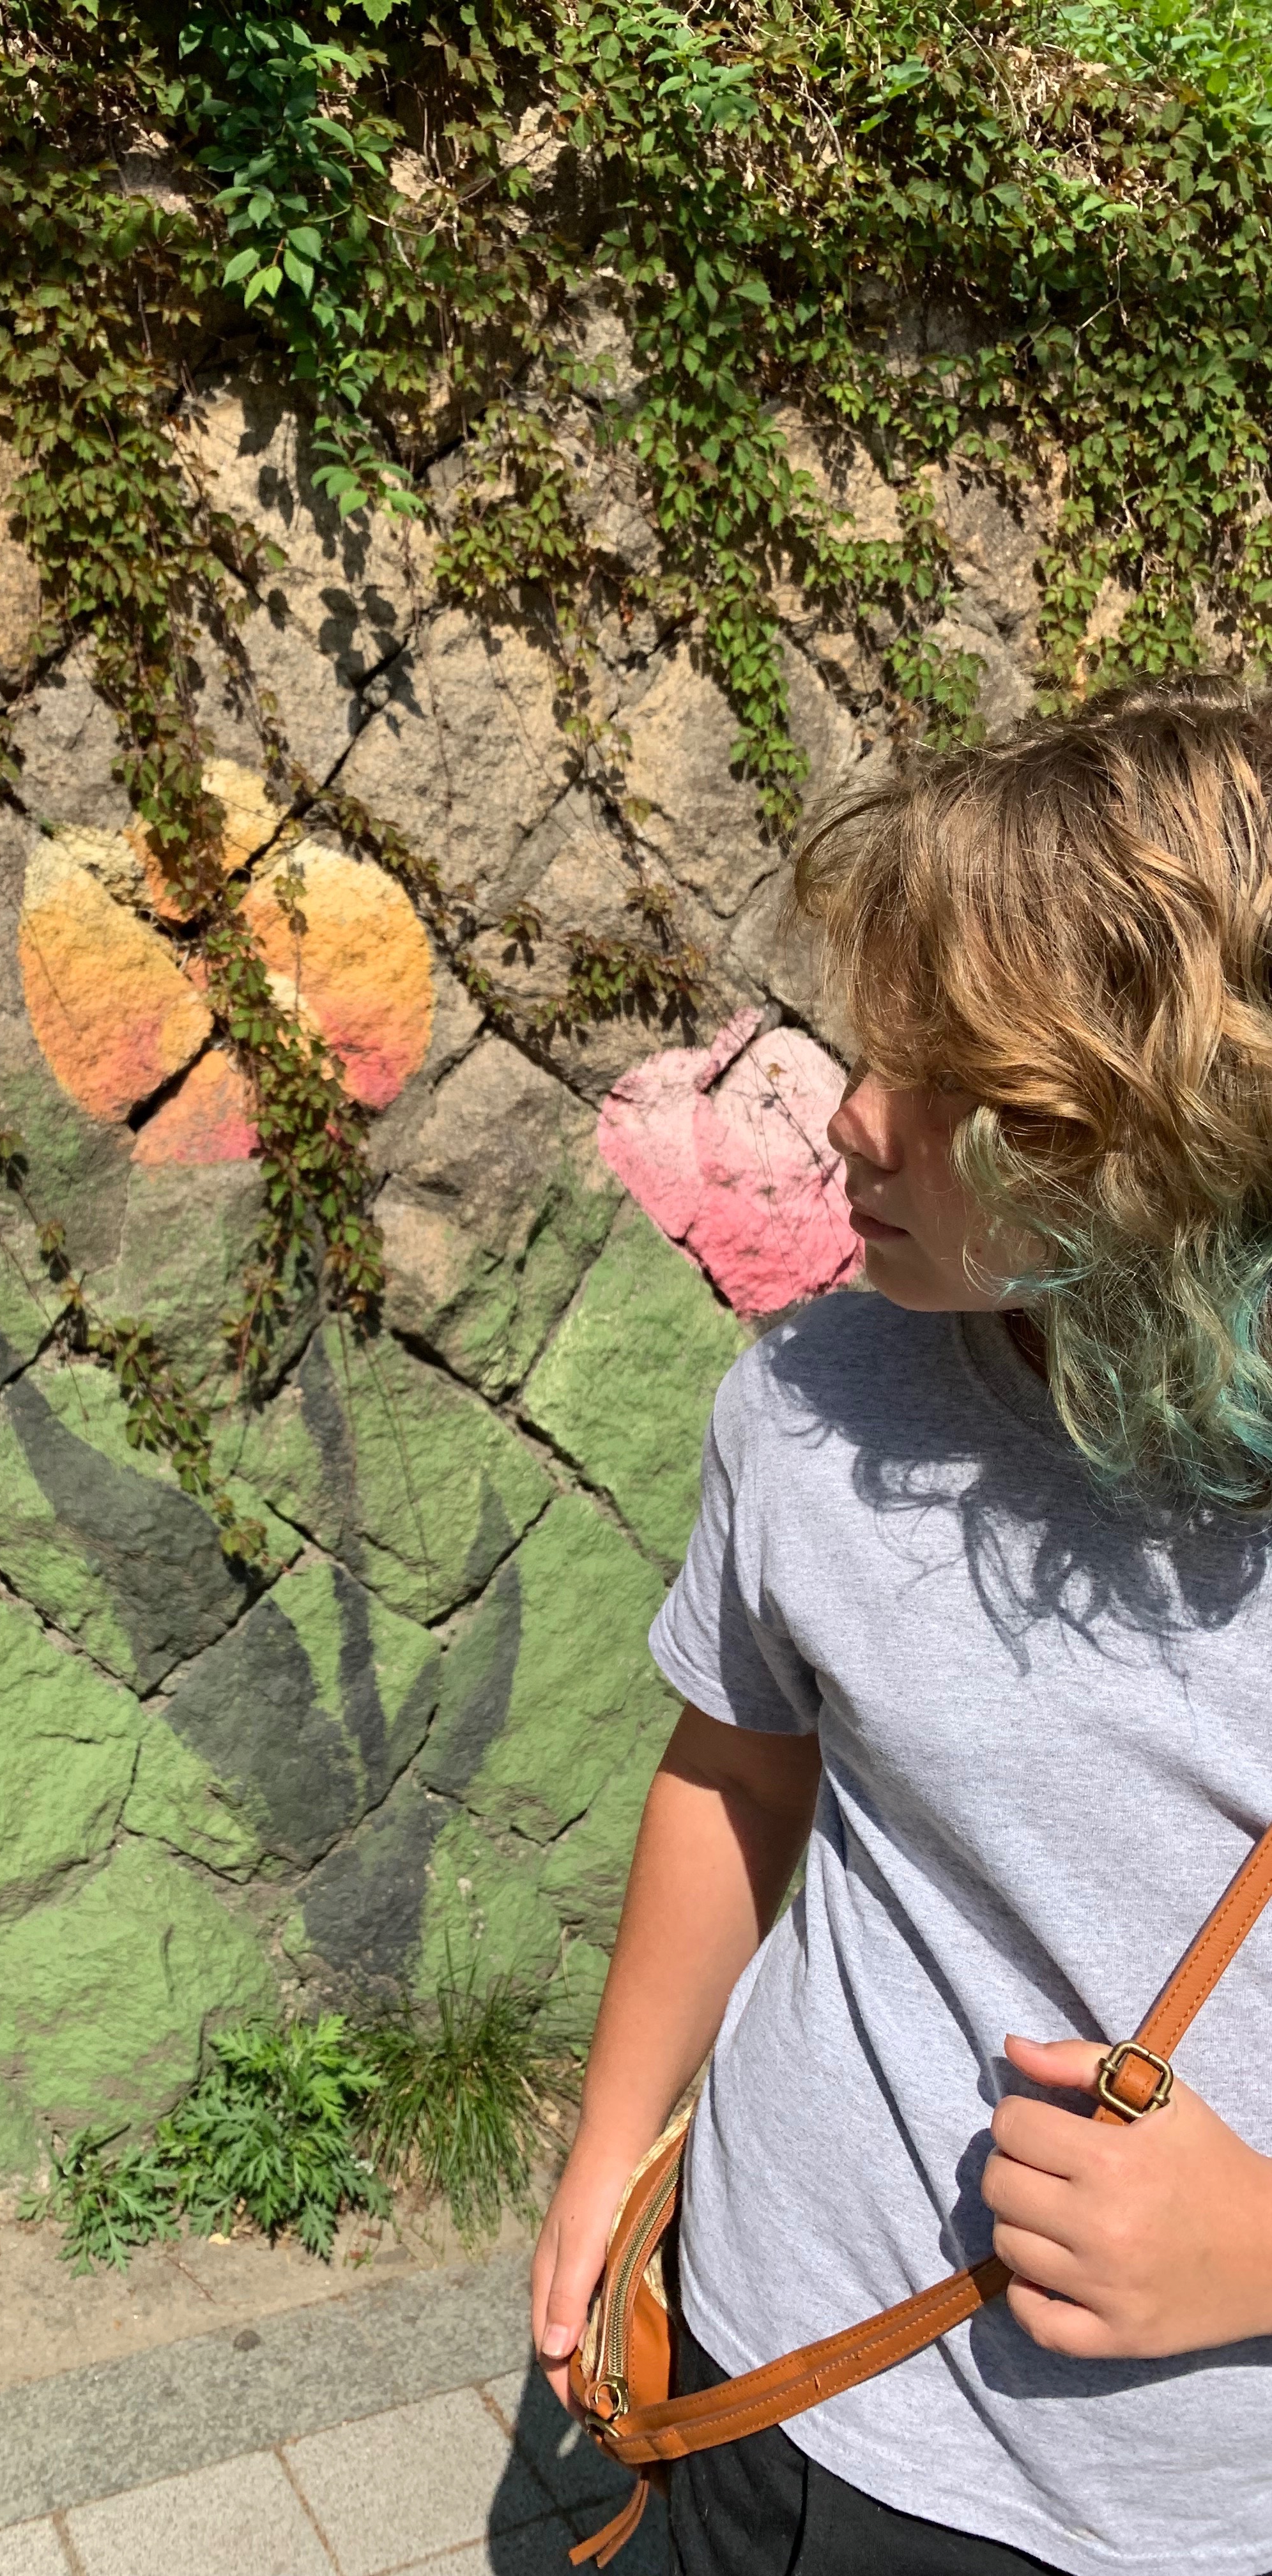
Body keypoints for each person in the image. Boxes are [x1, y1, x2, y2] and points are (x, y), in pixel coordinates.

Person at [531, 675, 1272, 2576]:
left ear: (1186, 1146)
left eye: (968, 1095)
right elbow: (736, 1762)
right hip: (740, 2372)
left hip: (1147, 2514)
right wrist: (613, 2160)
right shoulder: (822, 1394)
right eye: (876, 1047)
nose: (851, 1122)